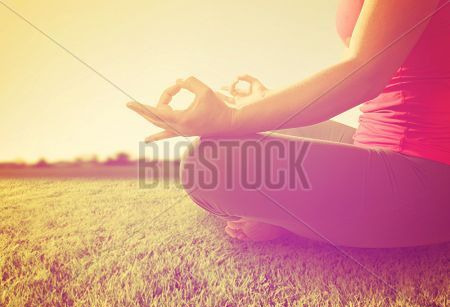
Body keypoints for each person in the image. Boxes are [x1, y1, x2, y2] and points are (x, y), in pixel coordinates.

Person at [127, 0, 450, 248]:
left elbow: (364, 73)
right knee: (225, 140)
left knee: (209, 163)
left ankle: (293, 223)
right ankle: (298, 215)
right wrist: (256, 103)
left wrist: (233, 117)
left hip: (432, 174)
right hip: (371, 142)